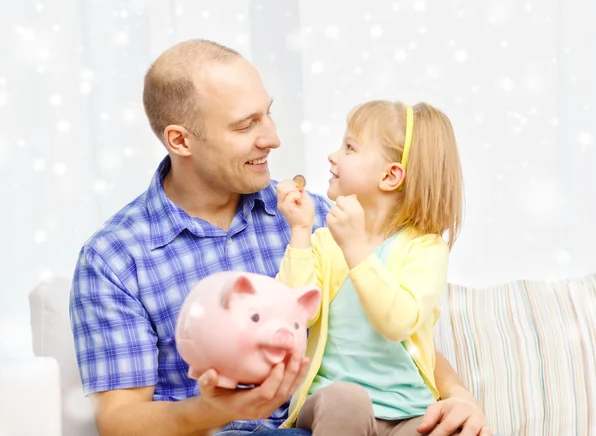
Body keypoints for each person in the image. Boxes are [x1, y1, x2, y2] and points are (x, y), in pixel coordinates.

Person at [69, 39, 492, 436]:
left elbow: (384, 326)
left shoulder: (319, 216)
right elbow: (119, 420)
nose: (272, 138)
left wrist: (458, 395)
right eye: (245, 125)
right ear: (180, 140)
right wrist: (219, 408)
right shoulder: (115, 258)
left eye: (267, 113)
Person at [275, 100, 472, 436]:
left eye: (349, 147)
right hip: (333, 404)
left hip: (410, 411)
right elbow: (293, 315)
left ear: (390, 175)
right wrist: (299, 231)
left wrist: (356, 248)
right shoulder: (325, 240)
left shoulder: (426, 248)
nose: (333, 156)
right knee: (346, 400)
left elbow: (397, 323)